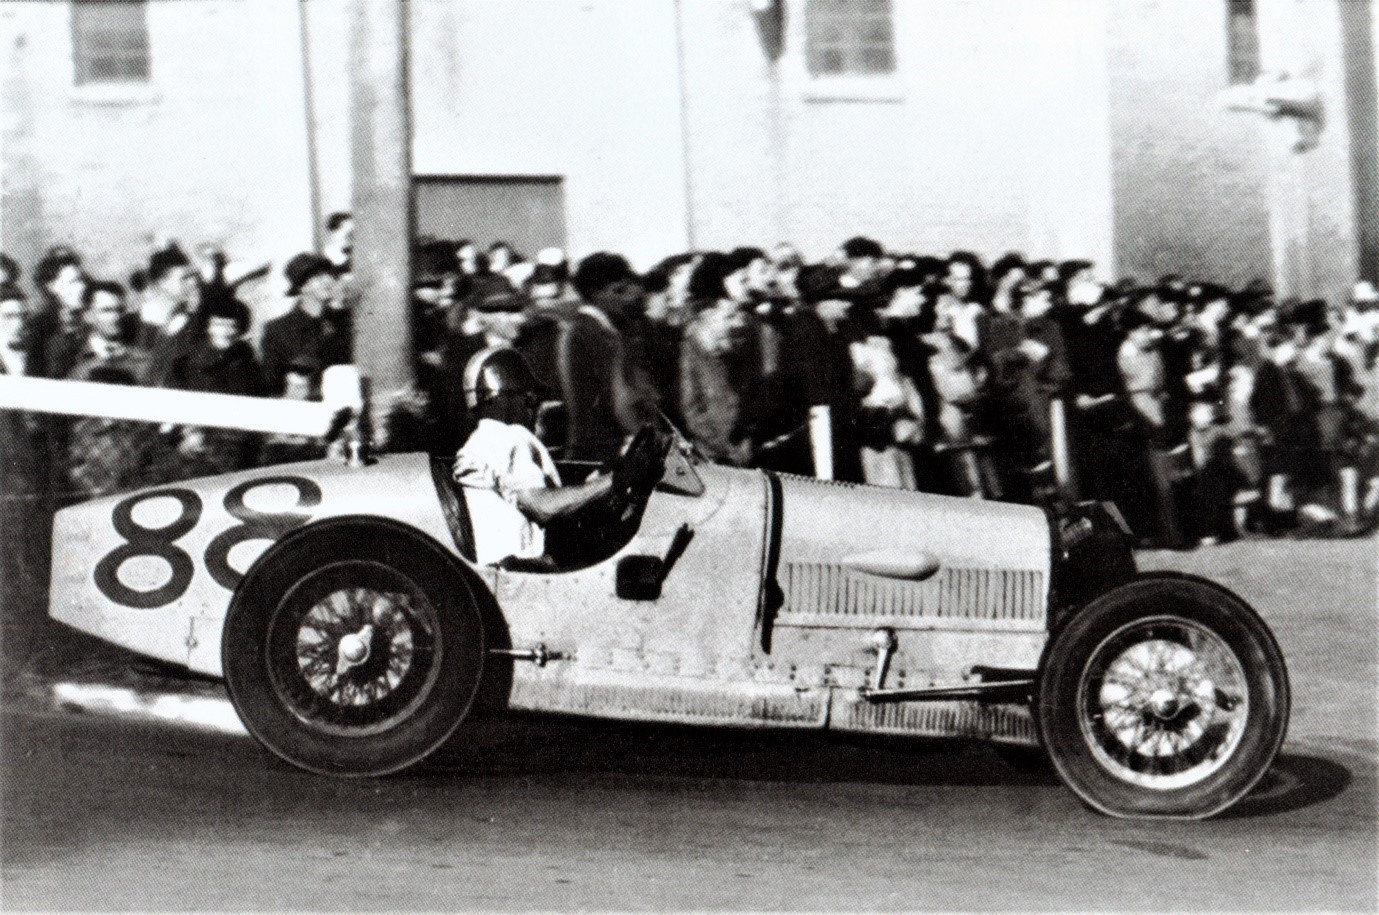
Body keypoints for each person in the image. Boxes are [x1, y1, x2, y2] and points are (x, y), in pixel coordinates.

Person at [453, 347, 664, 568]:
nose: (535, 408)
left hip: (512, 567)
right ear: (507, 399)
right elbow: (541, 506)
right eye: (530, 398)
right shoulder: (509, 436)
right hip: (531, 567)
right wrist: (616, 480)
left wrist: (604, 475)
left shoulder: (481, 442)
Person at [260, 253, 343, 395]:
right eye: (317, 277)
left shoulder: (342, 323)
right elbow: (270, 386)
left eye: (328, 275)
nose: (327, 282)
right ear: (301, 287)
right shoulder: (278, 330)